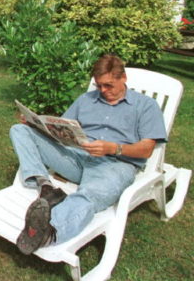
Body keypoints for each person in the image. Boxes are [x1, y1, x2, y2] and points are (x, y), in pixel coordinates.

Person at [9, 54, 166, 255]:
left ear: (123, 78)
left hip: (115, 164)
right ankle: (46, 187)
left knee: (90, 195)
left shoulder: (145, 106)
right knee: (19, 130)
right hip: (77, 156)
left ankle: (49, 231)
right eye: (99, 86)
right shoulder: (87, 99)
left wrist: (113, 148)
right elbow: (60, 127)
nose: (103, 91)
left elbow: (146, 149)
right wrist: (35, 124)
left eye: (108, 85)